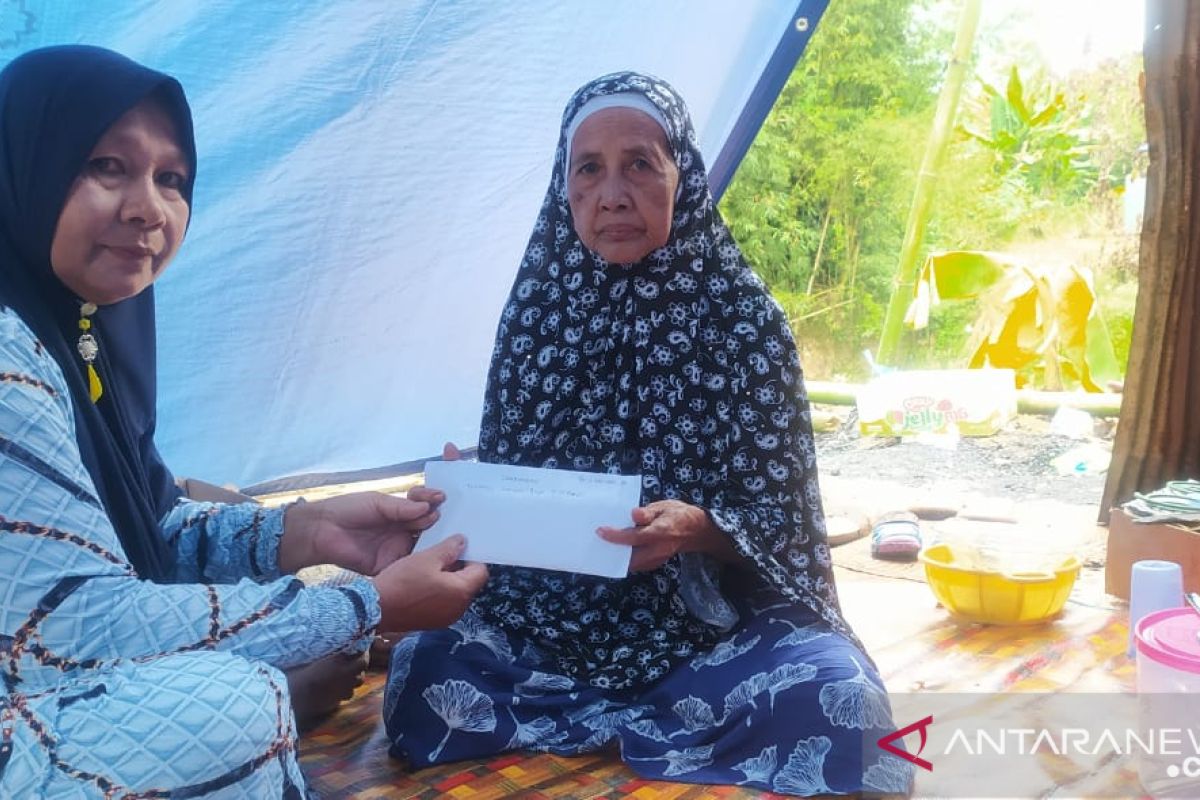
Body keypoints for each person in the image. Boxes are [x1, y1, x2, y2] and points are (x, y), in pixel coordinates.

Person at [383, 72, 910, 797]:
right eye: (588, 169)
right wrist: (473, 496)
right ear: (564, 188)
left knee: (843, 702)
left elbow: (786, 526)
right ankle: (646, 719)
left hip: (715, 631)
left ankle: (633, 713)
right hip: (554, 623)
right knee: (425, 672)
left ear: (680, 175)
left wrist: (697, 527)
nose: (612, 193)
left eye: (639, 163)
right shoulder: (537, 317)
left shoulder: (744, 325)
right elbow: (520, 490)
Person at [0, 45, 488, 798]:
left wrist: (310, 533)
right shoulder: (7, 357)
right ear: (24, 163)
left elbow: (148, 530)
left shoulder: (78, 333)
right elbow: (80, 626)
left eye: (173, 180)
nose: (148, 208)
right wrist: (371, 604)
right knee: (234, 705)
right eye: (107, 166)